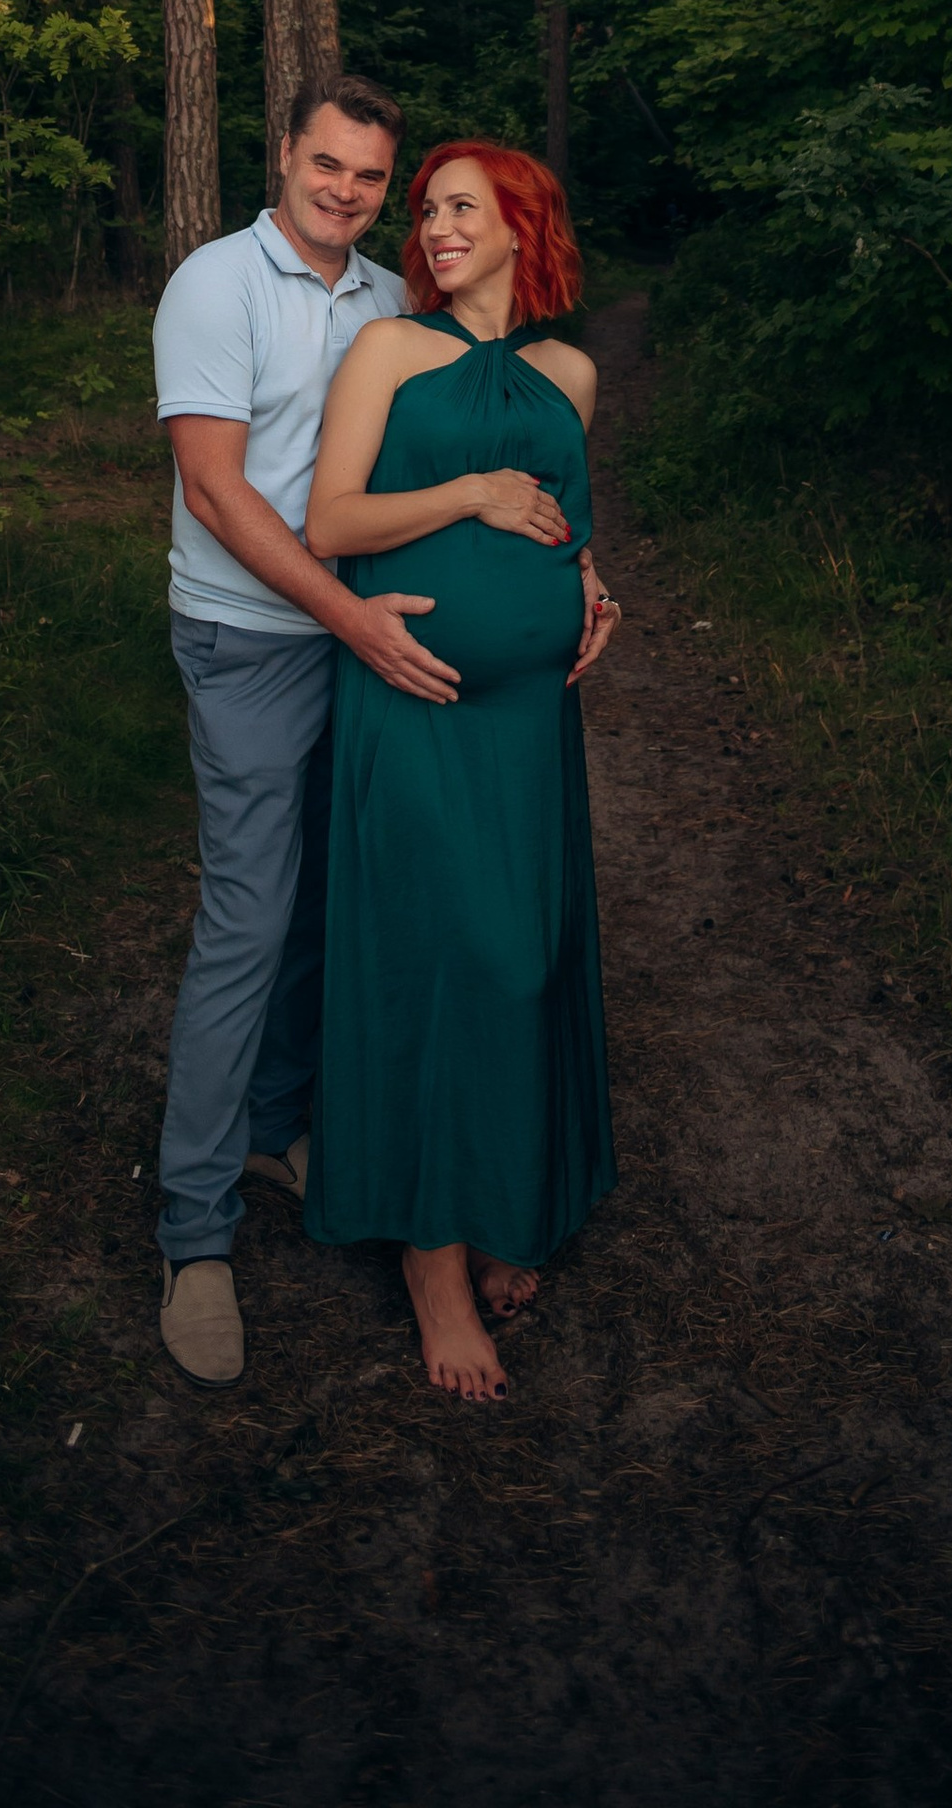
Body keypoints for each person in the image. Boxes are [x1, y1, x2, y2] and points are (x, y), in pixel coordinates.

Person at [300, 138, 624, 1404]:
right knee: (448, 955)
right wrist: (470, 489)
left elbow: (570, 526)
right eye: (424, 210)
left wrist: (591, 589)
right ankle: (430, 1263)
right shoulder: (391, 352)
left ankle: (498, 1199)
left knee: (526, 952)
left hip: (528, 717)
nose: (431, 229)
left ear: (520, 224)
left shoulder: (571, 374)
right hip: (415, 701)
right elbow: (331, 522)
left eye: (458, 209)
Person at [149, 74, 455, 1390]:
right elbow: (216, 492)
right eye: (327, 166)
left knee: (332, 912)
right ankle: (193, 1232)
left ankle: (281, 1126)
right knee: (251, 922)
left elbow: (405, 475)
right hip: (249, 643)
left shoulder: (387, 301)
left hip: (353, 642)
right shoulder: (215, 286)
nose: (345, 193)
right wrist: (352, 617)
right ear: (284, 157)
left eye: (370, 178)